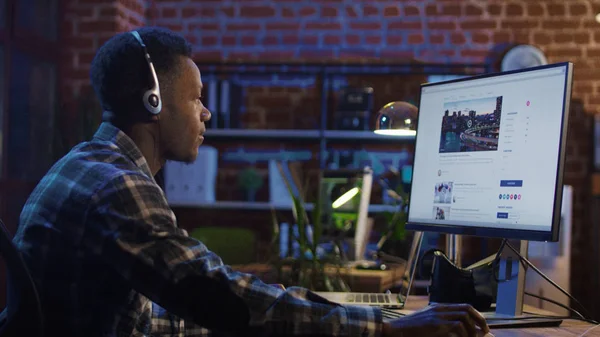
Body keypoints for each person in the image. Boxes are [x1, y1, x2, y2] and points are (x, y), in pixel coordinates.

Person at [11, 27, 491, 337]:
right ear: (154, 102)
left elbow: (168, 310)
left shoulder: (87, 164)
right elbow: (225, 302)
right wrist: (386, 330)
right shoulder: (116, 187)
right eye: (196, 98)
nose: (207, 112)